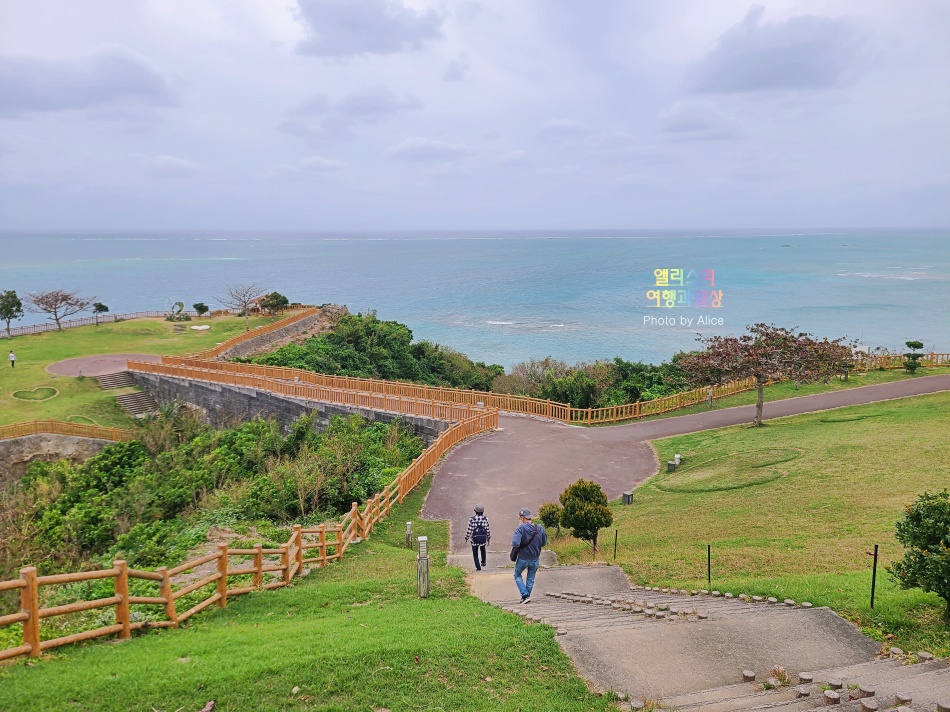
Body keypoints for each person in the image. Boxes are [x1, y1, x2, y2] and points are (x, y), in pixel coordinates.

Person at [511, 507, 547, 603]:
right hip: (535, 559)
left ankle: (525, 595)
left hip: (523, 558)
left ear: (523, 518)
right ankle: (526, 597)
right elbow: (543, 543)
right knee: (530, 578)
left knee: (517, 575)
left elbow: (515, 543)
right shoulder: (540, 528)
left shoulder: (520, 529)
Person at [463, 504, 491, 571]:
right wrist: (488, 538)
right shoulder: (485, 519)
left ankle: (478, 567)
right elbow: (487, 529)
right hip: (483, 539)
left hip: (474, 539)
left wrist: (466, 538)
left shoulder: (471, 519)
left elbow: (469, 530)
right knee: (483, 549)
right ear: (483, 511)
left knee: (475, 553)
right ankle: (483, 562)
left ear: (475, 511)